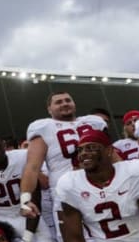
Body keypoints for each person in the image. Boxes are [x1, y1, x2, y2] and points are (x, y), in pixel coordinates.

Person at [56, 130, 139, 242]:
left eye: (91, 148)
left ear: (109, 151)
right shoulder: (70, 184)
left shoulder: (133, 172)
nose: (84, 153)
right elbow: (74, 237)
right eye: (80, 150)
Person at [18, 92, 107, 234]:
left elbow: (111, 156)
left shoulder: (94, 122)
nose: (64, 104)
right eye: (58, 102)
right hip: (66, 193)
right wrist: (25, 199)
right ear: (49, 109)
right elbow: (32, 167)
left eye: (68, 100)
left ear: (74, 104)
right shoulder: (44, 127)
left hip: (100, 189)